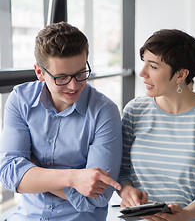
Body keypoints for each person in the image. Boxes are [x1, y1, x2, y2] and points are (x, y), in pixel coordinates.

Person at [0, 22, 122, 220]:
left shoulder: (104, 112)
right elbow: (9, 174)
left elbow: (97, 197)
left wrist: (33, 170)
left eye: (81, 73)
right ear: (40, 72)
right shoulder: (20, 100)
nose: (74, 85)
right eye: (62, 77)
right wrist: (74, 178)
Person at [117, 29, 195, 221]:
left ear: (181, 75)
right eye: (144, 63)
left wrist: (187, 214)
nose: (142, 73)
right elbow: (122, 171)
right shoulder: (134, 110)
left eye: (153, 66)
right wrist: (127, 190)